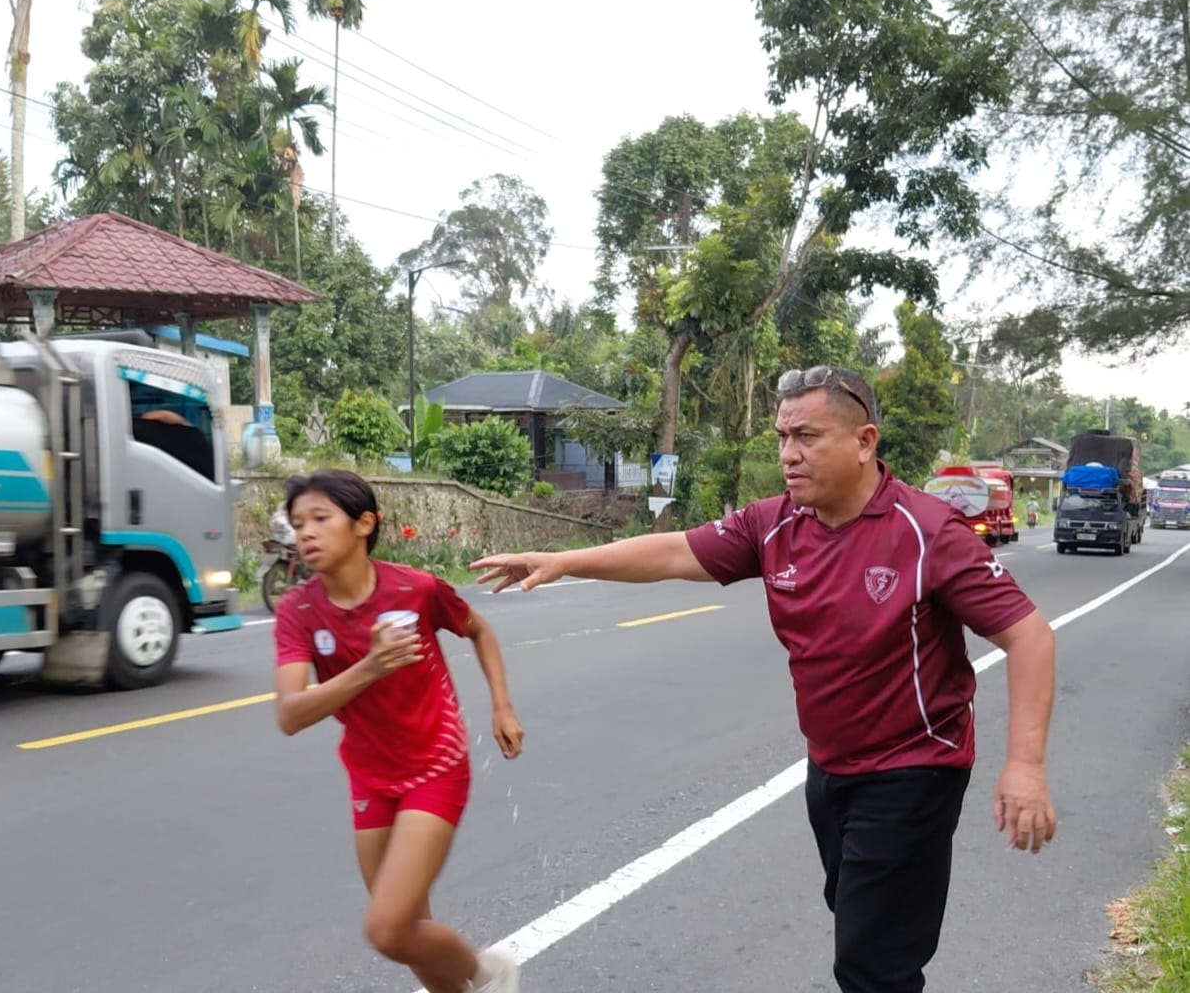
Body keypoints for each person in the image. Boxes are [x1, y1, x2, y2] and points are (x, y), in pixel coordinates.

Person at [472, 365, 1057, 993]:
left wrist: (1024, 765)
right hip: (830, 769)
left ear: (864, 442)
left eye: (806, 436)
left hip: (914, 768)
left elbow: (1028, 635)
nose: (788, 454)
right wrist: (562, 561)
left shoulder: (927, 532)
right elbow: (673, 552)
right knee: (860, 923)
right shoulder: (774, 524)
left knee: (873, 964)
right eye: (782, 436)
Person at [274, 469, 525, 993]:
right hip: (369, 776)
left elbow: (480, 630)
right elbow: (291, 714)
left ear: (364, 523)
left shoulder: (415, 588)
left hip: (435, 765)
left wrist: (502, 706)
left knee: (388, 929)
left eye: (321, 519)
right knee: (409, 931)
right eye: (298, 523)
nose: (307, 533)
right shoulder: (298, 612)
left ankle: (487, 972)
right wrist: (370, 667)